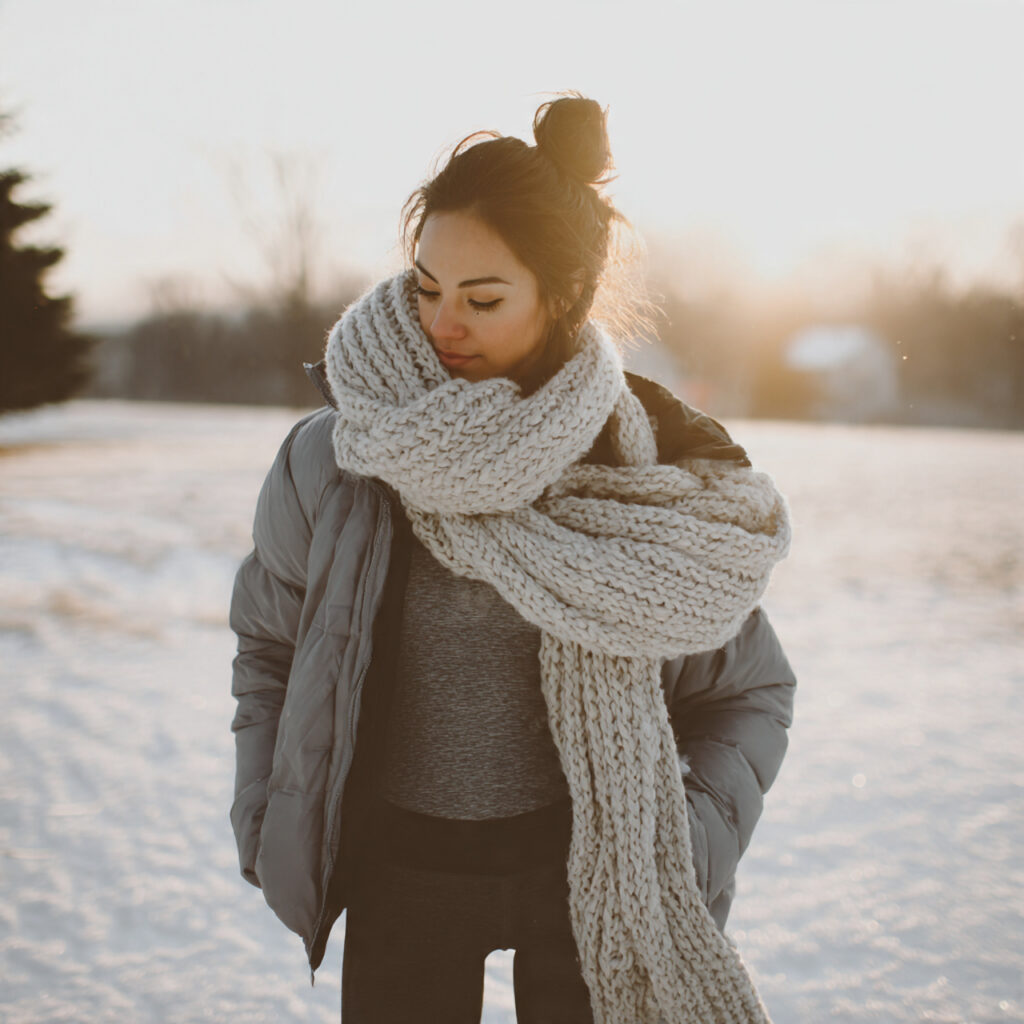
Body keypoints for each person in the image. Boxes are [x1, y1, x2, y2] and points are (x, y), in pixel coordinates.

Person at [229, 94, 796, 1024]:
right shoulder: (341, 457)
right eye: (426, 287)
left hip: (589, 885)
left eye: (483, 299)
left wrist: (676, 844)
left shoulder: (640, 470)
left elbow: (747, 690)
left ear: (561, 297)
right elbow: (271, 647)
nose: (441, 324)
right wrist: (268, 808)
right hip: (399, 874)